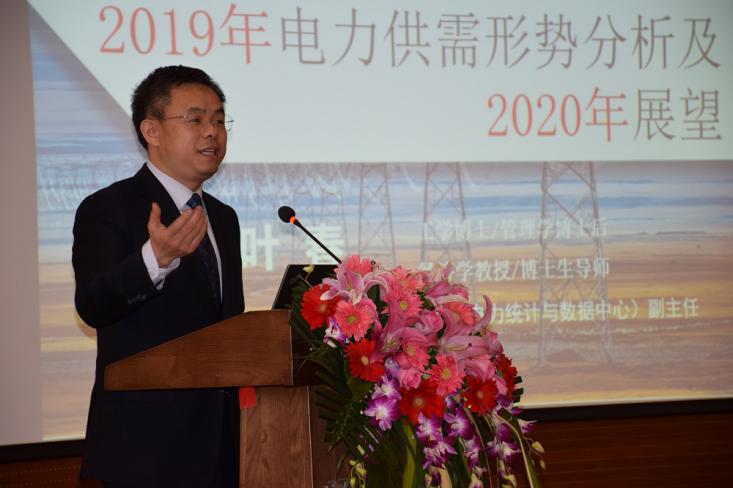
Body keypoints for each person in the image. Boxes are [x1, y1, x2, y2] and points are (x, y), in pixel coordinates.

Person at [72, 65, 244, 487]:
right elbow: (93, 304)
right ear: (151, 130)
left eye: (219, 120)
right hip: (145, 452)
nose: (212, 132)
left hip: (225, 449)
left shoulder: (223, 218)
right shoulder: (108, 208)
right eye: (196, 119)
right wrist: (156, 259)